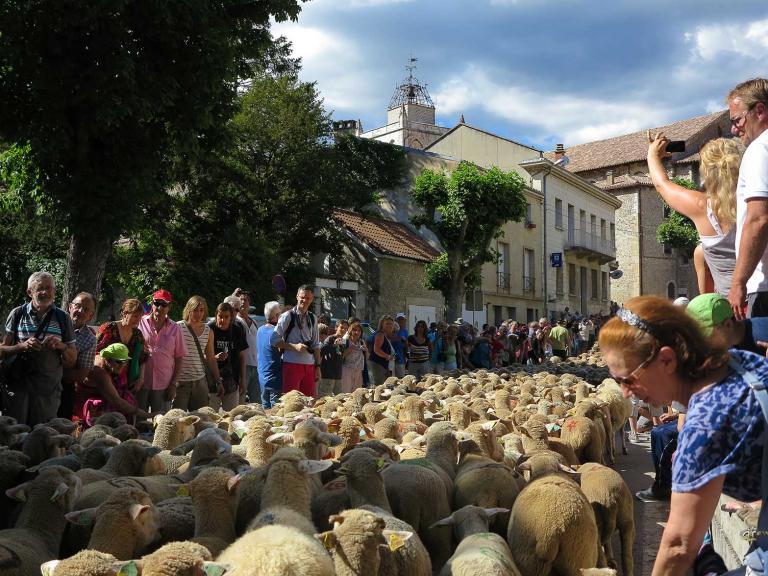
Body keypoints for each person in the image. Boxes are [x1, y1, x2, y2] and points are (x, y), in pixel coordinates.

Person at [599, 296, 766, 574]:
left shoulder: (705, 422)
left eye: (628, 379)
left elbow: (677, 546)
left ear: (667, 359)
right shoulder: (737, 363)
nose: (626, 393)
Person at [648, 133, 742, 297]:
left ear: (706, 171)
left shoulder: (702, 207)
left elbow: (662, 185)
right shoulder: (756, 203)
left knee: (700, 252)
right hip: (761, 294)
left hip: (731, 308)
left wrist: (652, 155)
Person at [0, 271, 76, 426]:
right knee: (14, 434)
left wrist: (60, 346)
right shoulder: (17, 314)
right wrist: (21, 346)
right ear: (30, 292)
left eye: (49, 288)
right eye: (40, 288)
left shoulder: (63, 317)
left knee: (43, 436)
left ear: (54, 291)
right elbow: (2, 350)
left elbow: (72, 358)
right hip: (18, 388)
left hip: (48, 391)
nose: (45, 292)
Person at [726, 79, 768, 318]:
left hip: (764, 288)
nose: (734, 129)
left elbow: (759, 219)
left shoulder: (760, 148)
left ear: (759, 110)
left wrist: (738, 282)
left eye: (737, 120)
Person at [74, 343, 151, 425]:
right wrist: (148, 414)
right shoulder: (100, 373)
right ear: (107, 359)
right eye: (118, 362)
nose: (122, 365)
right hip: (87, 407)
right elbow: (117, 402)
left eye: (125, 361)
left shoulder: (109, 365)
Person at [138, 289, 187, 413]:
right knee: (138, 421)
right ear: (152, 303)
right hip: (141, 382)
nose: (159, 307)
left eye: (164, 304)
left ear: (169, 307)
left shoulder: (175, 328)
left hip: (164, 384)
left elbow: (179, 358)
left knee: (162, 423)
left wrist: (174, 384)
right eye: (157, 303)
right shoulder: (140, 322)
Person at [271, 285, 321, 397]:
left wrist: (318, 367)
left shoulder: (313, 318)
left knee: (309, 403)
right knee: (291, 402)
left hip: (309, 366)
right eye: (302, 297)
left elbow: (316, 345)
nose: (305, 300)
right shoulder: (287, 316)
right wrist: (294, 347)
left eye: (308, 298)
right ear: (297, 297)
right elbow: (273, 340)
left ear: (312, 299)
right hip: (291, 364)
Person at [175, 296, 221, 411]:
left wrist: (218, 381)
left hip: (200, 381)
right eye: (195, 310)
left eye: (201, 310)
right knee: (177, 420)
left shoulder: (208, 331)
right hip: (180, 382)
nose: (198, 313)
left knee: (201, 420)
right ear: (188, 310)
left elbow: (211, 358)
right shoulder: (178, 327)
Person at [686, 292, 768, 355]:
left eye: (707, 336)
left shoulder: (763, 333)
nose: (704, 343)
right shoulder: (728, 345)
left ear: (728, 325)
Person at [96, 298, 149, 394]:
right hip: (105, 379)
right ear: (125, 313)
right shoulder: (109, 328)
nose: (138, 320)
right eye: (135, 316)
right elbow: (96, 352)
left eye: (140, 317)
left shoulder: (138, 334)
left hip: (128, 383)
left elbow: (143, 358)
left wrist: (140, 379)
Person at [59, 292, 97, 419]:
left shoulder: (90, 339)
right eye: (77, 306)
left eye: (86, 309)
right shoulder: (54, 324)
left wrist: (51, 369)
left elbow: (81, 375)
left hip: (63, 389)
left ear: (90, 315)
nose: (80, 311)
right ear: (70, 307)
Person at [208, 302, 247, 411]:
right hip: (211, 382)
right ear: (216, 315)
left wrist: (243, 379)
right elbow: (202, 355)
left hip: (232, 381)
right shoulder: (209, 329)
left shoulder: (237, 330)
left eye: (226, 317)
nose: (223, 320)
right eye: (220, 316)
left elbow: (242, 356)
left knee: (232, 417)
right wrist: (215, 357)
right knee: (210, 417)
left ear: (231, 318)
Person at [231, 289, 260, 404]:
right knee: (240, 402)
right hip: (242, 366)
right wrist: (233, 296)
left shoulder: (255, 322)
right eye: (240, 300)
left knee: (256, 402)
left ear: (249, 303)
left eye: (246, 300)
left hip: (256, 366)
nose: (243, 302)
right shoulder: (234, 321)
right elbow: (225, 306)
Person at [257, 301, 282, 409]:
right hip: (275, 379)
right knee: (276, 413)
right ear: (277, 316)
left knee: (265, 409)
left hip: (262, 377)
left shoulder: (260, 330)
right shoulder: (276, 333)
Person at [319, 319, 348, 397]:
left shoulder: (343, 341)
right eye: (341, 327)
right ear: (336, 327)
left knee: (339, 399)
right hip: (328, 375)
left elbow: (341, 356)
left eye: (345, 328)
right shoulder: (330, 339)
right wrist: (334, 345)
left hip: (338, 375)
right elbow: (322, 351)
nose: (343, 330)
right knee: (324, 399)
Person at [341, 321, 368, 393]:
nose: (357, 332)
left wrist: (366, 350)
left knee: (356, 393)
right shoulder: (346, 341)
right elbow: (341, 357)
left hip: (359, 370)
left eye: (359, 330)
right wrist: (349, 350)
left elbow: (367, 358)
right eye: (354, 330)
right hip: (347, 370)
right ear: (350, 331)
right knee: (346, 393)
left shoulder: (362, 342)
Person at [369, 315, 397, 385]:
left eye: (391, 324)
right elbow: (376, 349)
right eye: (387, 323)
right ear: (382, 324)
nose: (389, 325)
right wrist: (388, 356)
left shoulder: (383, 335)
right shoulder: (380, 334)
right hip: (377, 365)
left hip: (380, 365)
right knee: (379, 386)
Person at [391, 313, 409, 378]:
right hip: (390, 358)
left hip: (401, 359)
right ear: (396, 320)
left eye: (402, 319)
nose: (400, 321)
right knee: (391, 379)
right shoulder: (391, 330)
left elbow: (406, 345)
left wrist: (406, 357)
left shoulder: (405, 331)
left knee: (401, 378)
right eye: (399, 319)